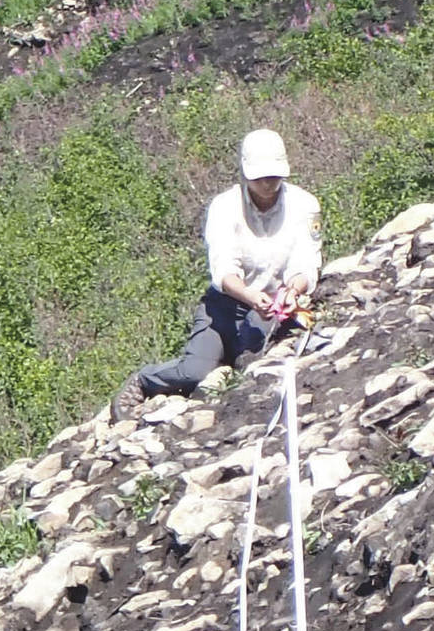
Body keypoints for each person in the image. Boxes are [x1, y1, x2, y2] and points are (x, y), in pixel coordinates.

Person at [111, 129, 321, 419]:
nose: (268, 184)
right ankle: (146, 380)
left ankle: (232, 366)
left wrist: (292, 290)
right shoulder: (225, 207)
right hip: (225, 304)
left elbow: (307, 261)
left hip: (274, 307)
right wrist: (248, 295)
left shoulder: (304, 205)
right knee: (194, 371)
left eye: (273, 176)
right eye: (261, 177)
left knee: (256, 359)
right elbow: (223, 268)